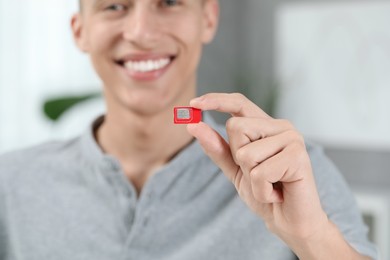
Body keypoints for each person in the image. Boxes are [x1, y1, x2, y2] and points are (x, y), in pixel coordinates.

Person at [0, 0, 377, 259]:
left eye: (168, 1)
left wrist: (311, 238)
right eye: (114, 5)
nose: (141, 33)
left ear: (208, 18)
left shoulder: (295, 176)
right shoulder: (11, 182)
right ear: (80, 31)